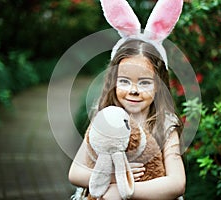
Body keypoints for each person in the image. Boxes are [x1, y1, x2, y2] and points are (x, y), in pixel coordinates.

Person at [69, 0, 186, 199]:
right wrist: (113, 177)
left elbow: (177, 183)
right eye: (124, 81)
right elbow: (75, 173)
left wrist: (125, 190)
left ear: (159, 86)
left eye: (144, 83)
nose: (133, 91)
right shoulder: (104, 118)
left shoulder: (165, 124)